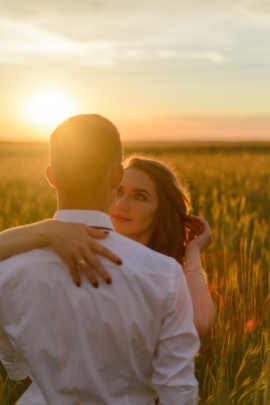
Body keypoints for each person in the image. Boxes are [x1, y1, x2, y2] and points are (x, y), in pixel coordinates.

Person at [0, 114, 200, 405]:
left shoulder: (8, 270)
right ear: (117, 176)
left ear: (51, 176)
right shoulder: (163, 273)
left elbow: (15, 367)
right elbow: (177, 390)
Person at [0, 157, 215, 337]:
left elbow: (198, 323)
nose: (121, 204)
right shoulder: (75, 248)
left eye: (140, 196)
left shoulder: (166, 273)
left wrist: (193, 252)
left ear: (160, 213)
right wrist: (47, 229)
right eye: (118, 190)